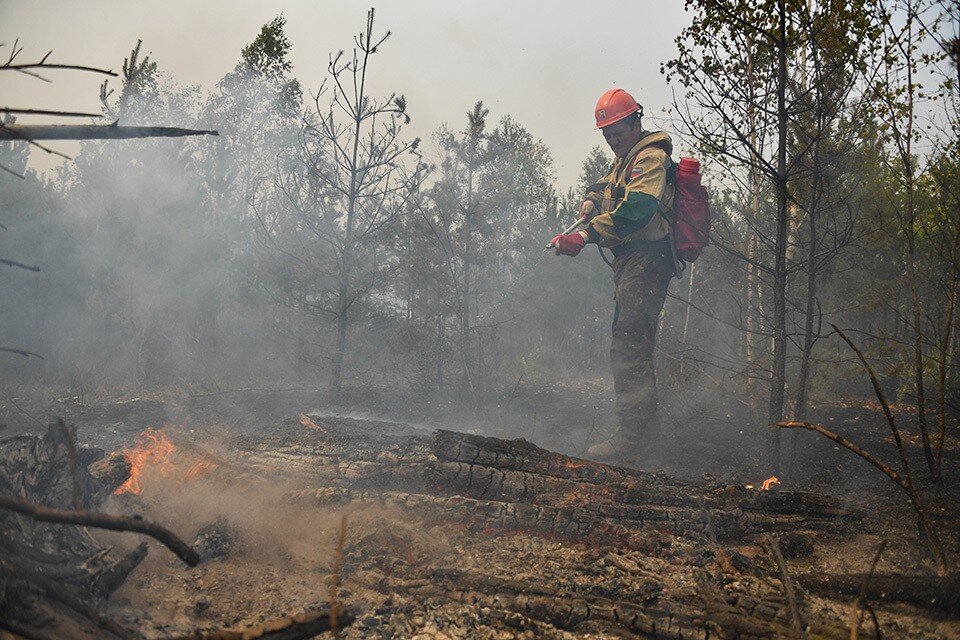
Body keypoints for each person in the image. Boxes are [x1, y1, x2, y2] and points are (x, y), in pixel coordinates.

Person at [551, 88, 675, 463]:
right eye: (607, 135)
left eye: (617, 132)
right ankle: (644, 437)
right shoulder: (626, 158)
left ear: (636, 122)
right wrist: (591, 200)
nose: (612, 140)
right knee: (628, 344)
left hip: (647, 260)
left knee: (629, 346)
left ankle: (636, 441)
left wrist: (585, 235)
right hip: (633, 261)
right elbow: (607, 184)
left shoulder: (649, 158)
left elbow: (637, 209)